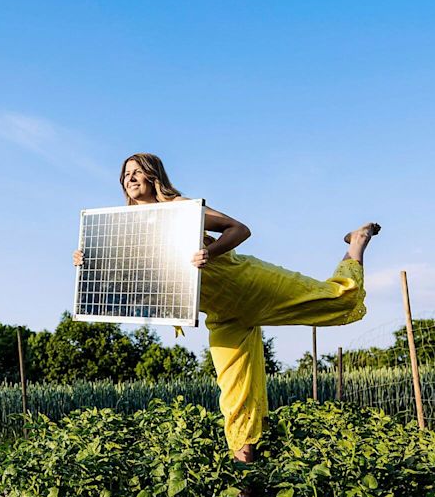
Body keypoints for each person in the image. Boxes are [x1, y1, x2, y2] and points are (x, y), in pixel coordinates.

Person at [73, 153, 379, 464]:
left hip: (249, 285)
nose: (131, 178)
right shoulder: (126, 232)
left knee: (341, 302)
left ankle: (357, 241)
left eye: (138, 172)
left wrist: (208, 249)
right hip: (222, 316)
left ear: (154, 176)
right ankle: (243, 472)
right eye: (126, 174)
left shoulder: (182, 210)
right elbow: (128, 284)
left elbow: (239, 229)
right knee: (236, 395)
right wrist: (89, 263)